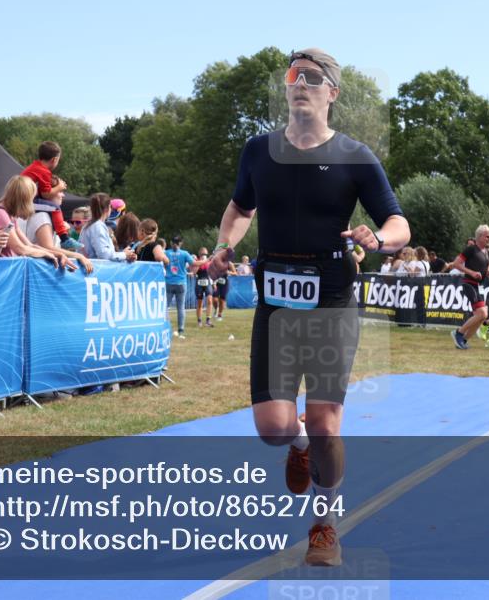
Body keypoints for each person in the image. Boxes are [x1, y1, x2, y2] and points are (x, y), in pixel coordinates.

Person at [206, 47, 409, 566]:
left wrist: (379, 239)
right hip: (275, 304)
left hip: (331, 300)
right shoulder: (258, 150)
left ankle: (325, 525)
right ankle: (297, 445)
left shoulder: (355, 155)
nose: (300, 83)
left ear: (331, 93)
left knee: (325, 423)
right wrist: (226, 245)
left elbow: (398, 223)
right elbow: (239, 207)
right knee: (274, 429)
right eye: (294, 75)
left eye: (313, 77)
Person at [21, 141, 81, 251]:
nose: (63, 195)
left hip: (25, 199)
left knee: (51, 207)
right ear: (54, 159)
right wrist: (59, 187)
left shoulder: (35, 166)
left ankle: (62, 233)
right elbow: (46, 194)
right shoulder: (44, 171)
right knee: (55, 208)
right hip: (25, 201)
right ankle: (64, 239)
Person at [0, 176, 62, 266]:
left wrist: (58, 254)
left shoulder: (10, 216)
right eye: (31, 199)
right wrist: (47, 254)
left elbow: (29, 245)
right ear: (24, 199)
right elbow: (20, 249)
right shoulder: (1, 214)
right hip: (2, 268)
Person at [26, 181, 95, 273]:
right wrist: (78, 256)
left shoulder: (44, 215)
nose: (63, 195)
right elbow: (48, 248)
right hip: (39, 270)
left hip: (40, 269)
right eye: (60, 191)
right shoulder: (42, 216)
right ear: (48, 193)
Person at [450, 225, 489, 350]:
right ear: (479, 237)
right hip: (469, 283)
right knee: (482, 313)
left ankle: (463, 340)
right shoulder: (471, 249)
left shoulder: (486, 252)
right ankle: (458, 333)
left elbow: (483, 269)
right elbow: (456, 264)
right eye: (487, 236)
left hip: (478, 286)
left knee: (482, 316)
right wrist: (471, 272)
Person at [80, 193, 136, 263]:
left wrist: (123, 254)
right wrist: (124, 254)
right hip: (95, 268)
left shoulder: (89, 225)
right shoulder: (97, 226)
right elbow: (104, 254)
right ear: (108, 208)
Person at [165, 235, 194, 338]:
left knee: (165, 307)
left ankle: (166, 328)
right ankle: (181, 329)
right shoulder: (185, 253)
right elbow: (193, 263)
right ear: (181, 243)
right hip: (181, 283)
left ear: (171, 242)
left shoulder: (166, 253)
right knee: (181, 307)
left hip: (169, 282)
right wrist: (206, 260)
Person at [192, 247, 216, 327]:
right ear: (199, 254)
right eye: (202, 254)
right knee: (200, 303)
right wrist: (200, 262)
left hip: (208, 282)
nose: (204, 255)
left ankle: (208, 320)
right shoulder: (196, 261)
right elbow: (194, 272)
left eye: (205, 254)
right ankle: (199, 320)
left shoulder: (209, 262)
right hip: (199, 283)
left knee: (210, 300)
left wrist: (214, 283)